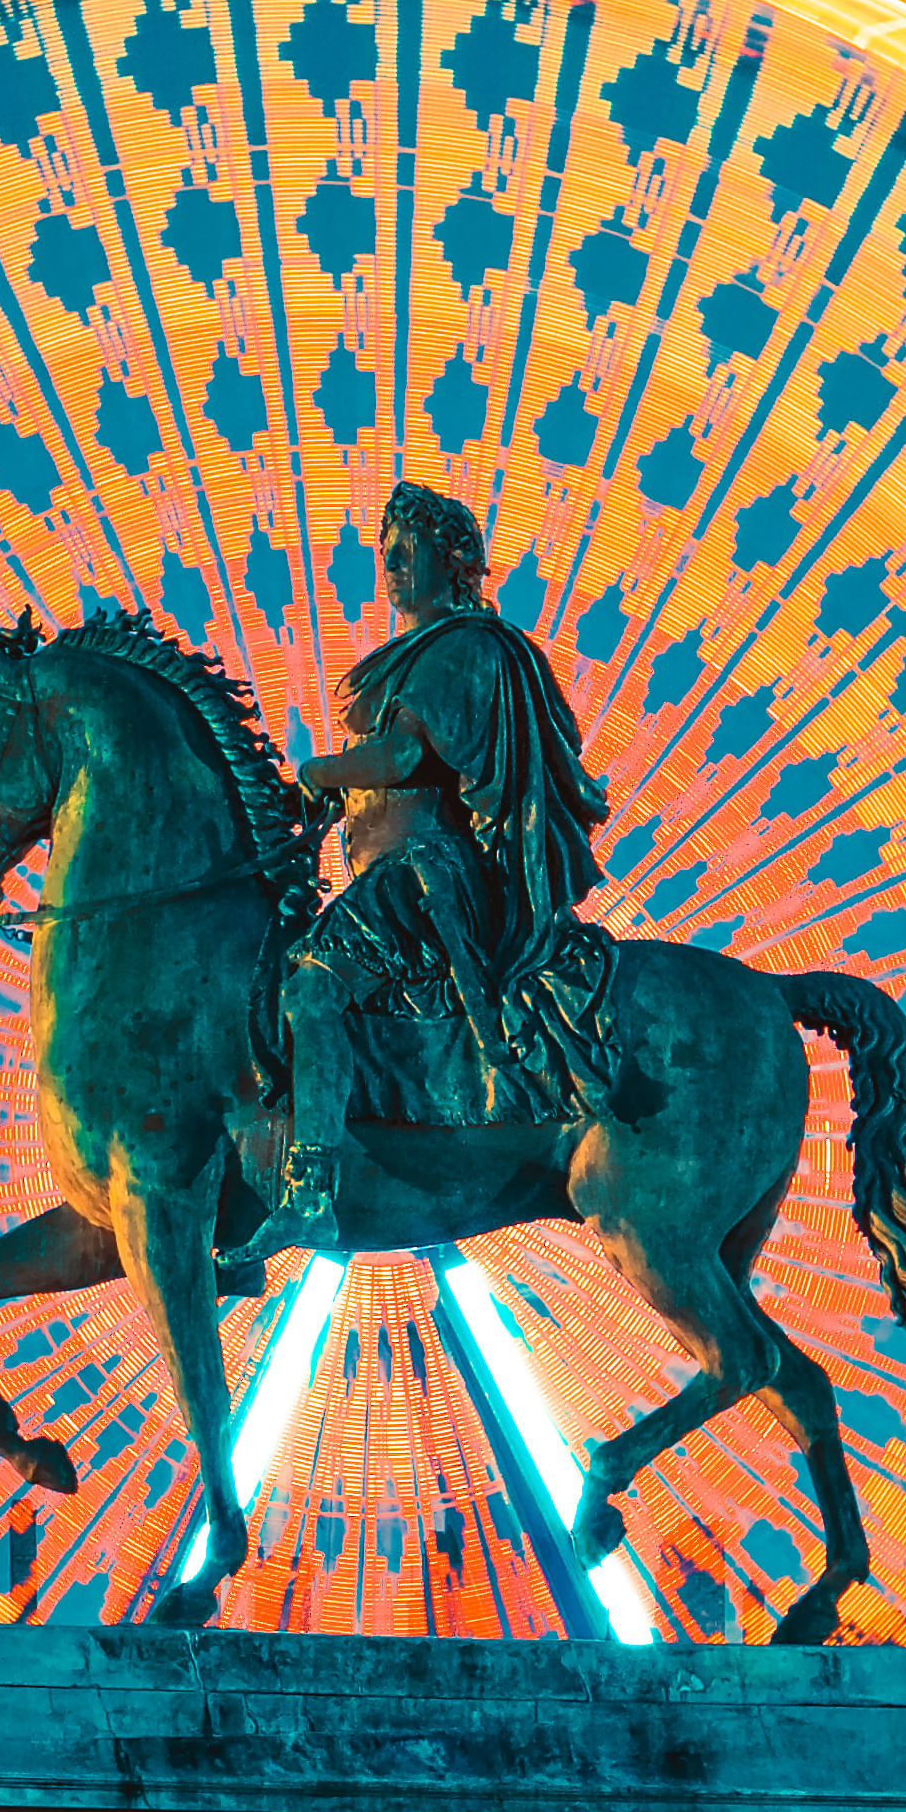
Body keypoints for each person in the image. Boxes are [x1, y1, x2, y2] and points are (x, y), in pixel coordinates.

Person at [242, 478, 612, 1262]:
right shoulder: (421, 656)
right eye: (388, 555)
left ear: (455, 562)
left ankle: (309, 1187)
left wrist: (319, 770)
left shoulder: (464, 649)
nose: (393, 569)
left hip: (427, 876)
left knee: (310, 981)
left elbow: (404, 756)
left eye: (409, 553)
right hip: (395, 874)